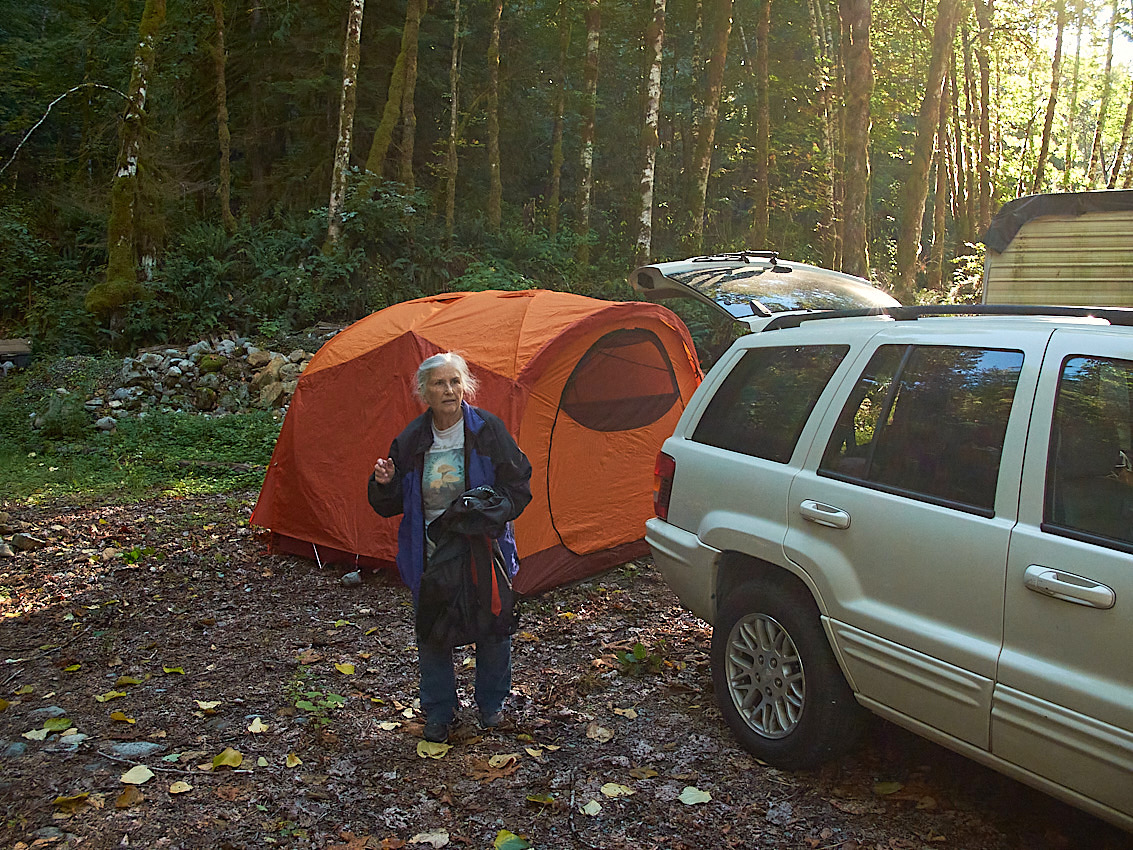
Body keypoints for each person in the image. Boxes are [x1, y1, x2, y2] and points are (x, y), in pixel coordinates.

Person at [367, 352, 532, 743]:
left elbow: (518, 486)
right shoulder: (412, 440)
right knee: (432, 632)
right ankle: (439, 712)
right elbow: (388, 506)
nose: (449, 390)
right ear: (424, 391)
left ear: (465, 387)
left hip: (482, 550)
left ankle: (492, 707)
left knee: (493, 628)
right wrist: (386, 483)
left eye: (455, 382)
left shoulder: (487, 430)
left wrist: (492, 513)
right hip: (430, 553)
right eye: (440, 383)